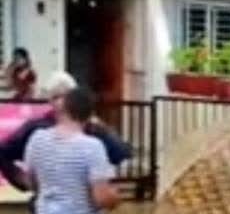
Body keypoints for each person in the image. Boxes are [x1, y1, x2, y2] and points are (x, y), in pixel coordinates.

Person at [0, 71, 132, 197]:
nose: (61, 102)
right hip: (47, 207)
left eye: (66, 95)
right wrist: (22, 181)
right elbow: (3, 151)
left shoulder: (91, 128)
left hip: (83, 205)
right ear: (49, 101)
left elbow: (120, 153)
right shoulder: (36, 129)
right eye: (56, 97)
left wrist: (100, 127)